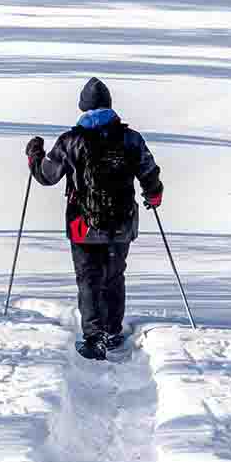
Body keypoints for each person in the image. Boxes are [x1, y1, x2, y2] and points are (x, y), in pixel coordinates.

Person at [26, 77, 163, 360]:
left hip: (83, 225)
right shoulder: (130, 138)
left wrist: (34, 154)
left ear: (82, 107)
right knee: (114, 275)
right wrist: (153, 196)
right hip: (122, 223)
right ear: (110, 106)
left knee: (88, 278)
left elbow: (46, 176)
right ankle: (113, 331)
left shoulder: (70, 141)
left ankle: (94, 336)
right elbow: (149, 173)